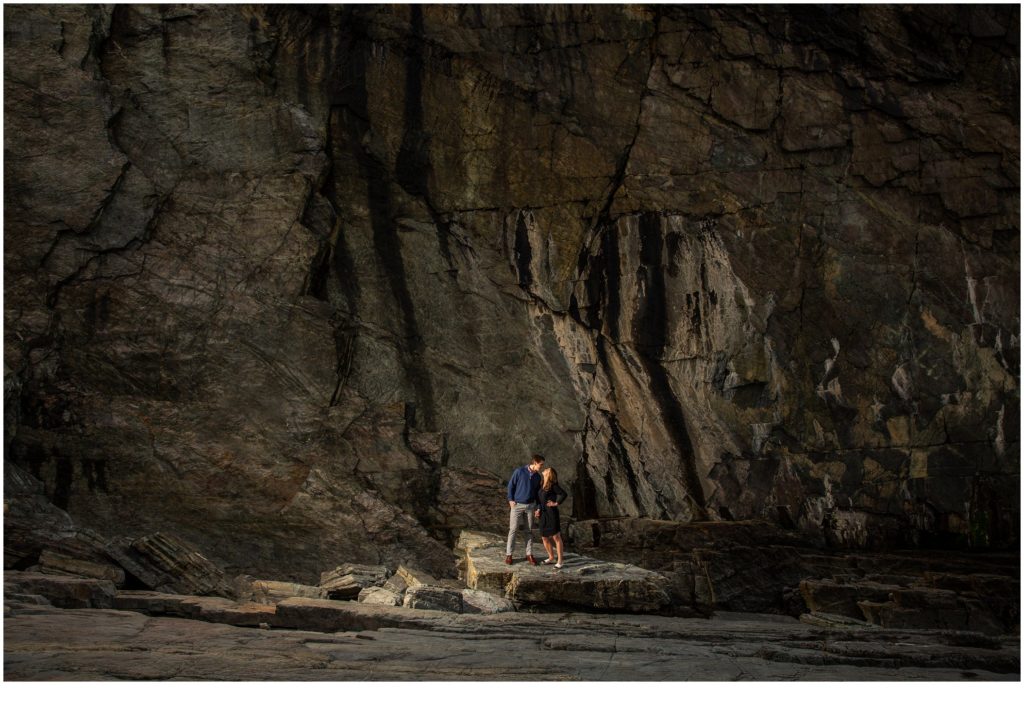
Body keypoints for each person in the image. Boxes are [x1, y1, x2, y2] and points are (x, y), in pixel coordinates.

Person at [505, 454, 544, 565]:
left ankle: (529, 554)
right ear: (535, 462)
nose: (541, 467)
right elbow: (511, 486)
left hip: (530, 506)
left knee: (529, 531)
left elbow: (537, 494)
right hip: (516, 505)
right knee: (513, 530)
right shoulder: (519, 471)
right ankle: (509, 555)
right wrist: (510, 500)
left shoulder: (537, 477)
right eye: (541, 464)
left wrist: (538, 507)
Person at [534, 466, 568, 568]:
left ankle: (560, 561)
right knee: (544, 537)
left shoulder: (553, 485)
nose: (544, 470)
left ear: (549, 474)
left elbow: (564, 494)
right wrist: (538, 509)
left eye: (547, 470)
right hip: (543, 514)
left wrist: (555, 503)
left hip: (551, 513)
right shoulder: (541, 485)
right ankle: (551, 557)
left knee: (556, 537)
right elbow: (539, 501)